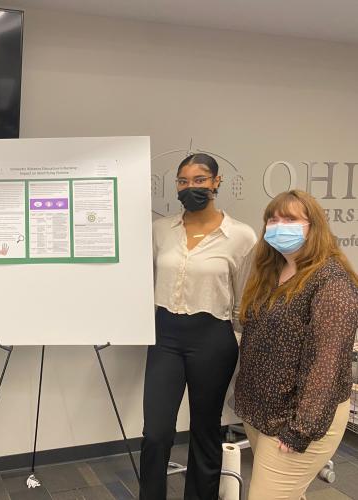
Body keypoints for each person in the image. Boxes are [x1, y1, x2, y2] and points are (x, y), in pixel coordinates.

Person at [141, 153, 257, 500]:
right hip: (164, 336)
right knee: (156, 432)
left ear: (216, 182)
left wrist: (234, 340)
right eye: (183, 181)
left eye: (200, 179)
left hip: (212, 338)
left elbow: (244, 301)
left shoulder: (241, 236)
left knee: (205, 430)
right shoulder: (161, 230)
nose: (191, 187)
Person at [235, 190, 358, 500]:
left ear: (313, 226)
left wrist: (301, 429)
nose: (278, 226)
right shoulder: (272, 272)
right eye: (272, 219)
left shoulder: (331, 282)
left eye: (290, 219)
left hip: (298, 420)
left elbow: (327, 366)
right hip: (263, 411)